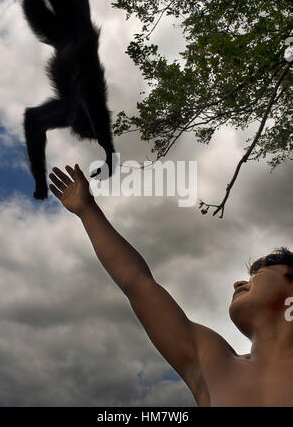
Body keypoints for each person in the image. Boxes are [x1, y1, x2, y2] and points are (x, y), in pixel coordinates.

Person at [49, 164, 293, 407]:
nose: (239, 282)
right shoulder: (213, 362)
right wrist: (88, 211)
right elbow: (137, 282)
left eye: (260, 272)